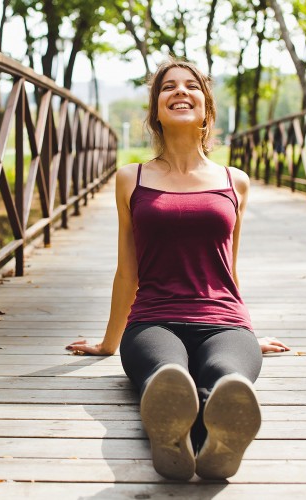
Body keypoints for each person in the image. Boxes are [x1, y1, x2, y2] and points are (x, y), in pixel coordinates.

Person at [66, 59, 290, 481]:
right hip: (153, 321)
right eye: (168, 87)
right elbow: (126, 272)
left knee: (228, 379)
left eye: (192, 86)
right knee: (167, 377)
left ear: (206, 108)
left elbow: (229, 269)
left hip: (225, 322)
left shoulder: (234, 181)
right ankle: (179, 432)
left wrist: (249, 334)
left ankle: (211, 440)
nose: (180, 92)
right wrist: (107, 343)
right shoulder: (130, 179)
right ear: (155, 111)